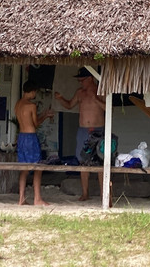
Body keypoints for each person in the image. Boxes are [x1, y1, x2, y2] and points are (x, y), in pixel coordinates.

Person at [54, 67, 106, 201]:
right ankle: (85, 193)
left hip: (98, 129)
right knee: (83, 162)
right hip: (83, 130)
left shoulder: (100, 91)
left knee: (100, 162)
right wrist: (60, 99)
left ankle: (103, 194)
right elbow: (70, 105)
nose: (80, 82)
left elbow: (109, 108)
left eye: (82, 80)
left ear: (91, 78)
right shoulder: (80, 92)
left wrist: (96, 99)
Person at [15, 81, 54, 206]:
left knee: (24, 169)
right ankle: (37, 199)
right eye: (35, 92)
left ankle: (21, 198)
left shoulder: (18, 104)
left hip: (21, 137)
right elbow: (35, 124)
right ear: (32, 91)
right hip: (30, 137)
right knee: (38, 167)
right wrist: (45, 115)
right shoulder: (31, 105)